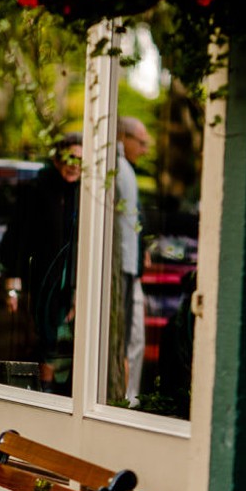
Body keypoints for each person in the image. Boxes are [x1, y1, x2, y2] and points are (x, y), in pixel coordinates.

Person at [0, 132, 83, 391]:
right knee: (46, 337)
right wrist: (13, 284)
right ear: (56, 159)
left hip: (72, 280)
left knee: (64, 341)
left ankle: (56, 391)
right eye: (68, 157)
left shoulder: (83, 195)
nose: (74, 164)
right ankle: (44, 393)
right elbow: (19, 238)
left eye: (80, 159)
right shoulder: (37, 190)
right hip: (42, 280)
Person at [115, 116, 152, 403]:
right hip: (122, 266)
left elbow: (131, 219)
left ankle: (129, 397)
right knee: (124, 340)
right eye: (141, 142)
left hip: (130, 264)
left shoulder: (125, 170)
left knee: (133, 338)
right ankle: (123, 398)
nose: (145, 149)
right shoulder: (116, 169)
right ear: (123, 138)